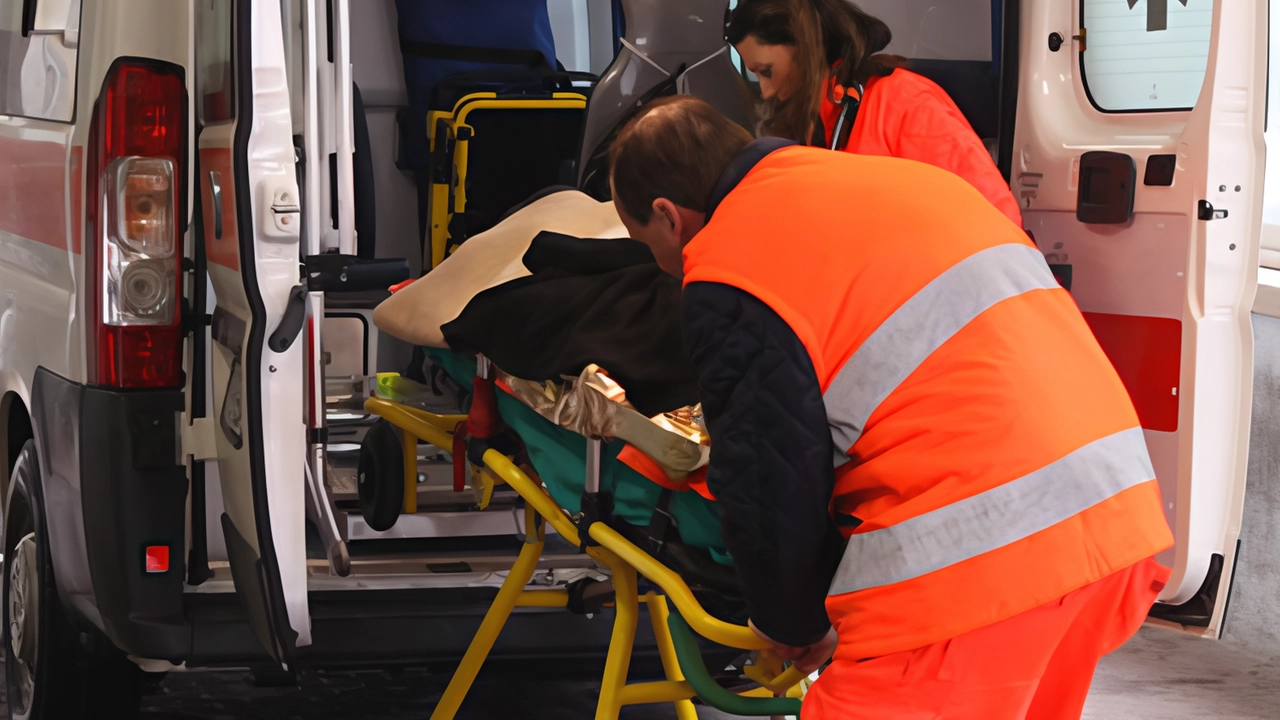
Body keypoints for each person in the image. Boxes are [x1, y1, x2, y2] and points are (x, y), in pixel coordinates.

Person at [608, 95, 1173, 719]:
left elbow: (770, 474)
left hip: (976, 565)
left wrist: (789, 619)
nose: (662, 263)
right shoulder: (900, 179)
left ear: (667, 214)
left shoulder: (730, 263)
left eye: (646, 242)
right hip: (1112, 519)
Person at [727, 0, 1023, 227]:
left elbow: (995, 219)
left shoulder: (905, 103)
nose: (765, 91)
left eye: (766, 71)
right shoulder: (814, 124)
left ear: (805, 45)